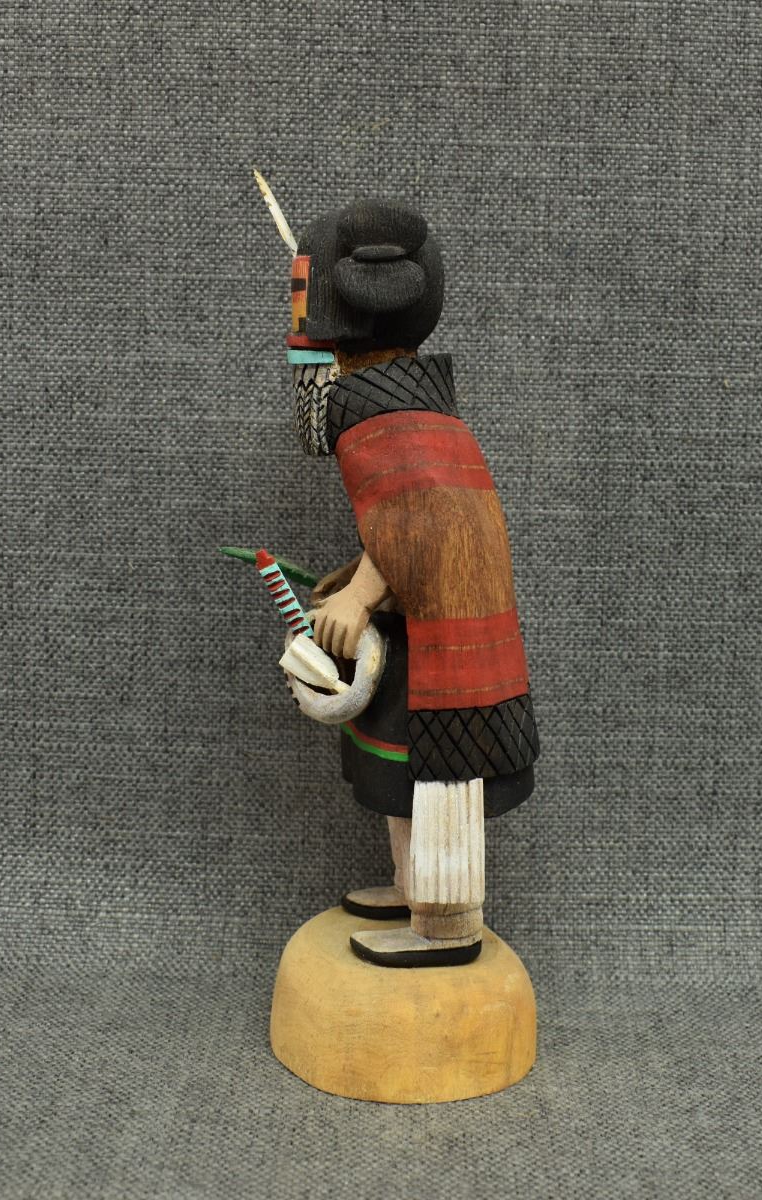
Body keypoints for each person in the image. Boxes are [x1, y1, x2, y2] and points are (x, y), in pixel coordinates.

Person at [272, 195, 540, 967]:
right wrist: (356, 580)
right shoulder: (406, 406)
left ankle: (445, 921)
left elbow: (422, 523)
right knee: (404, 775)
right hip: (425, 628)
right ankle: (412, 886)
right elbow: (406, 524)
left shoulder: (385, 417)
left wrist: (362, 595)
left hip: (444, 650)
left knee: (438, 778)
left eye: (303, 307)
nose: (296, 345)